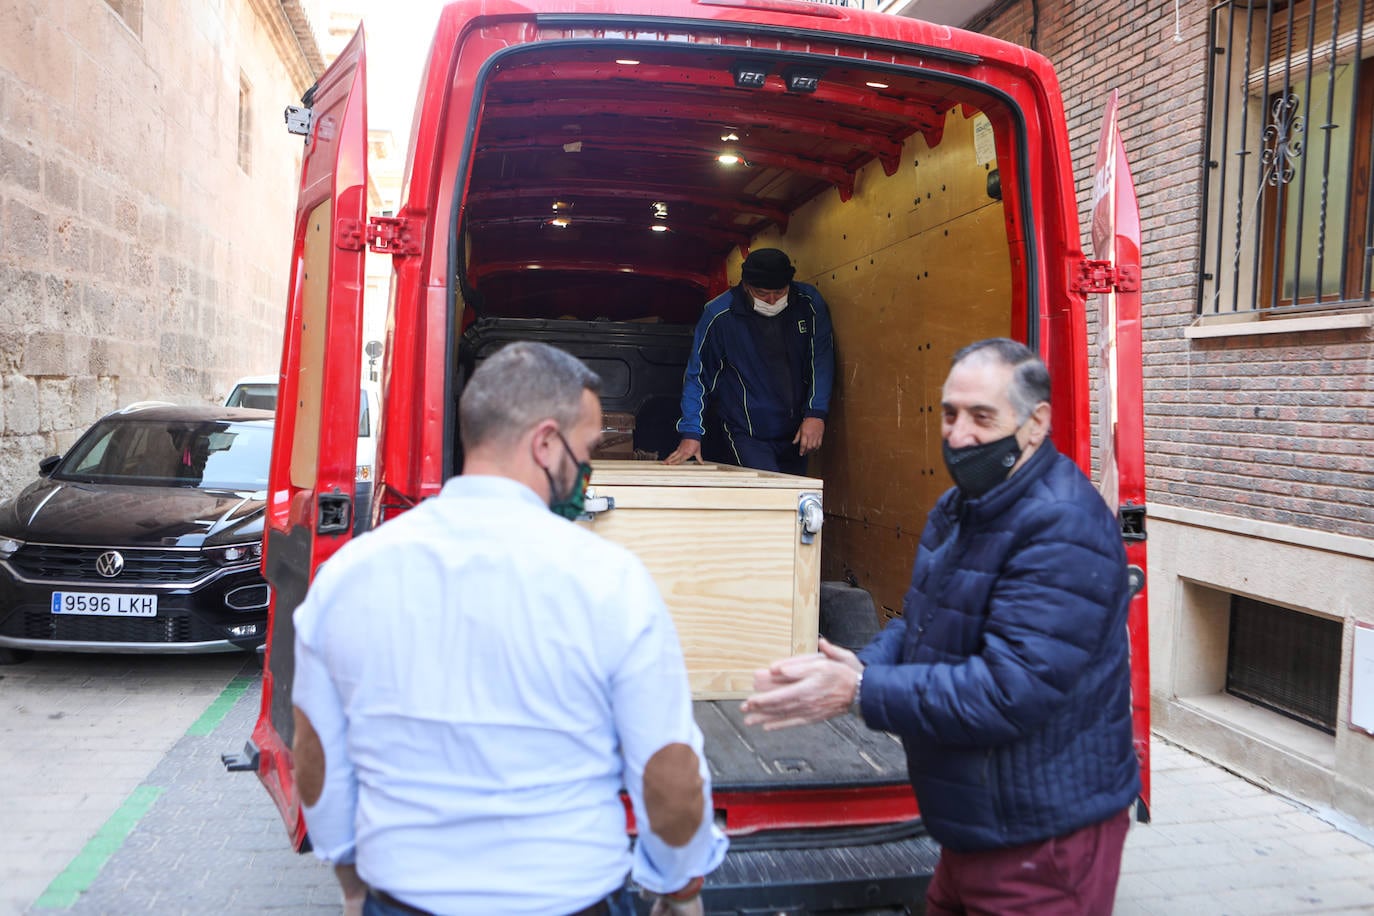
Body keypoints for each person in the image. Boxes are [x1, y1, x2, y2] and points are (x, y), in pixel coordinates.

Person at [291, 341, 728, 916]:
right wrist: (681, 888)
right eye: (588, 448)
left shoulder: (347, 575)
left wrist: (350, 879)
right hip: (571, 898)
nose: (589, 469)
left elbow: (316, 758)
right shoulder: (610, 580)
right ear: (546, 443)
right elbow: (668, 774)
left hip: (402, 897)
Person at [741, 338, 1140, 915]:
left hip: (1042, 840)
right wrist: (864, 664)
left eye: (982, 418)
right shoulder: (962, 506)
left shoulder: (1061, 527)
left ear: (1036, 425)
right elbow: (926, 621)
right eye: (949, 414)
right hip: (977, 824)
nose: (957, 436)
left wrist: (860, 692)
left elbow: (1010, 691)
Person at [664, 247, 834, 474]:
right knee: (768, 494)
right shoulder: (719, 315)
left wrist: (816, 413)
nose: (772, 301)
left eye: (780, 292)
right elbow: (699, 377)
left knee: (793, 500)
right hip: (747, 433)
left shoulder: (809, 304)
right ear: (746, 286)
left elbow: (821, 360)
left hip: (798, 430)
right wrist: (691, 433)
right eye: (763, 294)